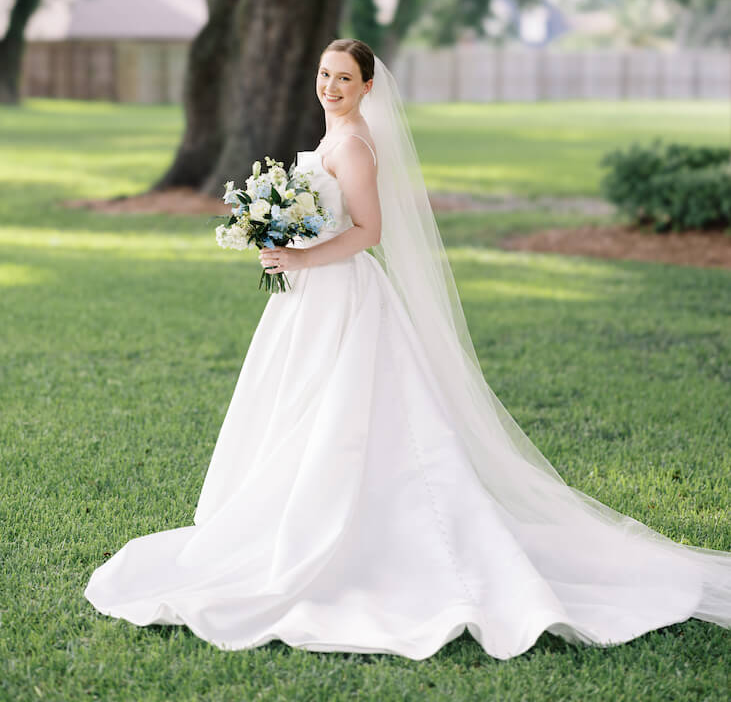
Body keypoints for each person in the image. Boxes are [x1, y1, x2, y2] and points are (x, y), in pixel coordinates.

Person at [84, 38, 731, 660]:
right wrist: (277, 238)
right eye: (323, 74)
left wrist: (301, 252)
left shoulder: (357, 145)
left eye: (343, 78)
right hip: (307, 298)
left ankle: (362, 537)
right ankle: (287, 518)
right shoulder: (331, 136)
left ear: (367, 87)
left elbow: (368, 231)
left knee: (350, 414)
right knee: (299, 407)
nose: (330, 87)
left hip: (343, 295)